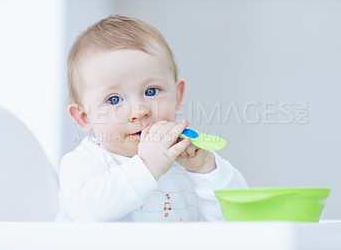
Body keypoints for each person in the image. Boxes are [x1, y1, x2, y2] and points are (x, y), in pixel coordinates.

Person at [57, 14, 248, 222]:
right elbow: (87, 214)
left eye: (151, 91)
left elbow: (239, 220)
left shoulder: (186, 161)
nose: (139, 111)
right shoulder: (84, 163)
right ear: (84, 117)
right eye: (113, 100)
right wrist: (147, 165)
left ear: (177, 96)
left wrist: (207, 170)